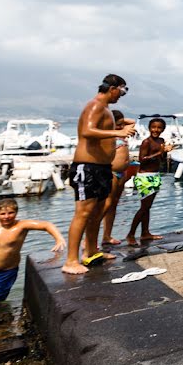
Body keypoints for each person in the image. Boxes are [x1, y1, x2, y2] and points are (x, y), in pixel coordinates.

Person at [62, 73, 136, 274]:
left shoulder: (107, 110)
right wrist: (117, 133)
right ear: (112, 88)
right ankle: (70, 261)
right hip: (87, 166)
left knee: (97, 212)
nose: (121, 96)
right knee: (83, 213)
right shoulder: (95, 105)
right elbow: (87, 131)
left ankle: (92, 252)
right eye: (121, 91)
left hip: (103, 167)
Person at [125, 117, 172, 246]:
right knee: (144, 207)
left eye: (159, 127)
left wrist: (165, 152)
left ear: (163, 129)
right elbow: (142, 159)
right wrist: (160, 152)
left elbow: (161, 160)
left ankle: (145, 233)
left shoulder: (161, 140)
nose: (156, 130)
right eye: (153, 127)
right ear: (149, 128)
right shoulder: (146, 142)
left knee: (148, 207)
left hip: (155, 176)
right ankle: (130, 234)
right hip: (144, 177)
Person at [100, 110, 134, 246]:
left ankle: (107, 236)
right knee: (106, 204)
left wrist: (120, 121)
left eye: (121, 124)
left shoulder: (121, 132)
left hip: (122, 173)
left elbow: (132, 122)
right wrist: (112, 123)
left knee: (113, 205)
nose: (120, 127)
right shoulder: (107, 135)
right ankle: (88, 239)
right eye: (117, 124)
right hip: (112, 172)